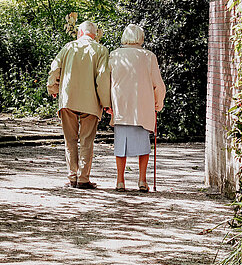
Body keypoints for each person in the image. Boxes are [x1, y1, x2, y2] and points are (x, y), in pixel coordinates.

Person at [47, 20, 111, 189]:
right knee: (87, 141)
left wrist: (53, 88)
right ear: (95, 34)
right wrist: (106, 103)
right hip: (91, 102)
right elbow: (103, 78)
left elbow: (55, 69)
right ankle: (83, 179)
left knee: (70, 140)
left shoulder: (68, 47)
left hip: (68, 100)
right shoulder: (101, 50)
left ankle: (72, 177)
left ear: (80, 33)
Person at [108, 24, 166, 192]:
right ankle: (142, 180)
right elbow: (158, 85)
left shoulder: (115, 55)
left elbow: (107, 82)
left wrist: (107, 104)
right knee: (143, 146)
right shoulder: (148, 56)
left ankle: (120, 181)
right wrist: (157, 104)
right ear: (141, 37)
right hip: (142, 107)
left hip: (121, 106)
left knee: (120, 146)